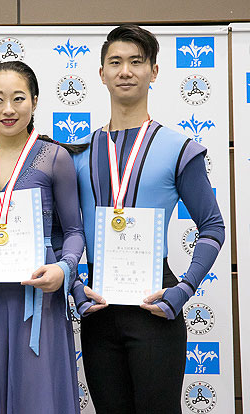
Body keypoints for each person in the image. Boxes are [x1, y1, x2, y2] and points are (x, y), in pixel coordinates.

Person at [71, 25, 225, 414]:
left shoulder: (180, 149)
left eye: (136, 62)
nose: (125, 71)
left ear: (154, 71)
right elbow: (65, 232)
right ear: (101, 73)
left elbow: (212, 226)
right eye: (115, 62)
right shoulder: (78, 152)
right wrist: (74, 286)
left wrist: (184, 289)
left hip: (156, 306)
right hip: (99, 311)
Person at [0, 61, 85, 414]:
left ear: (35, 101)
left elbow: (74, 231)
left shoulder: (55, 158)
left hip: (38, 298)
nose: (8, 109)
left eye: (18, 98)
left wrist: (64, 270)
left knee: (38, 397)